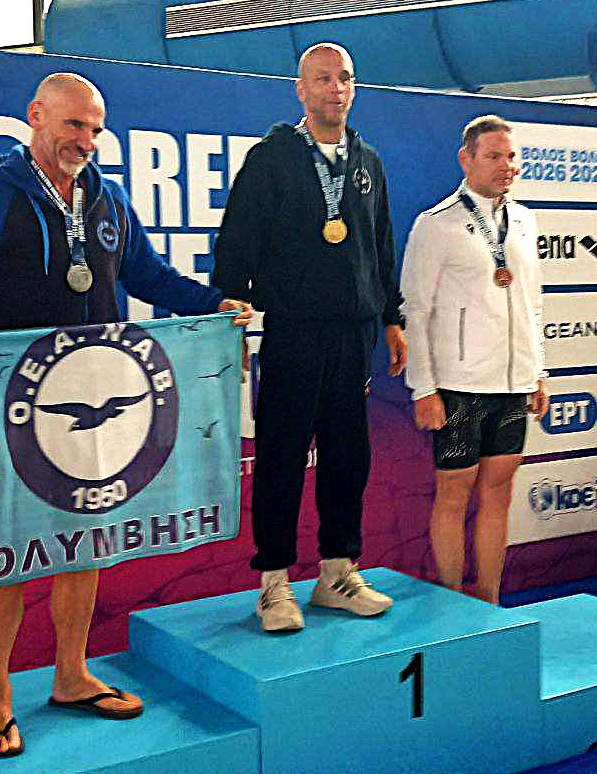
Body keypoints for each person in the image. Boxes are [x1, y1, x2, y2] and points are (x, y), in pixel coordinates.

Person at [0, 73, 252, 757]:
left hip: (96, 410)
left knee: (85, 544)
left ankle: (72, 676)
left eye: (95, 129)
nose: (86, 140)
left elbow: (149, 276)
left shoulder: (109, 199)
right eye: (74, 125)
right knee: (9, 557)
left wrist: (212, 304)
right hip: (15, 411)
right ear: (37, 116)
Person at [212, 42, 407, 633]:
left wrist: (392, 318)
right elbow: (237, 238)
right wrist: (232, 300)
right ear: (301, 90)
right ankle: (273, 583)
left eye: (344, 78)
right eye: (322, 79)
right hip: (293, 330)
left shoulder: (368, 162)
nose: (335, 89)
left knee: (349, 455)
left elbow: (381, 247)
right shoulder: (272, 158)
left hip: (354, 334)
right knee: (282, 454)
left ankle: (337, 574)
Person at [400, 115, 549, 604]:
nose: (506, 166)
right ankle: (450, 601)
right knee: (454, 493)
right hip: (458, 386)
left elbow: (532, 303)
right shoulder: (436, 223)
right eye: (494, 156)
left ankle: (488, 599)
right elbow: (415, 310)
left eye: (511, 156)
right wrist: (424, 388)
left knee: (499, 494)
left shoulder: (524, 221)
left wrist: (537, 373)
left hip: (512, 385)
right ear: (466, 159)